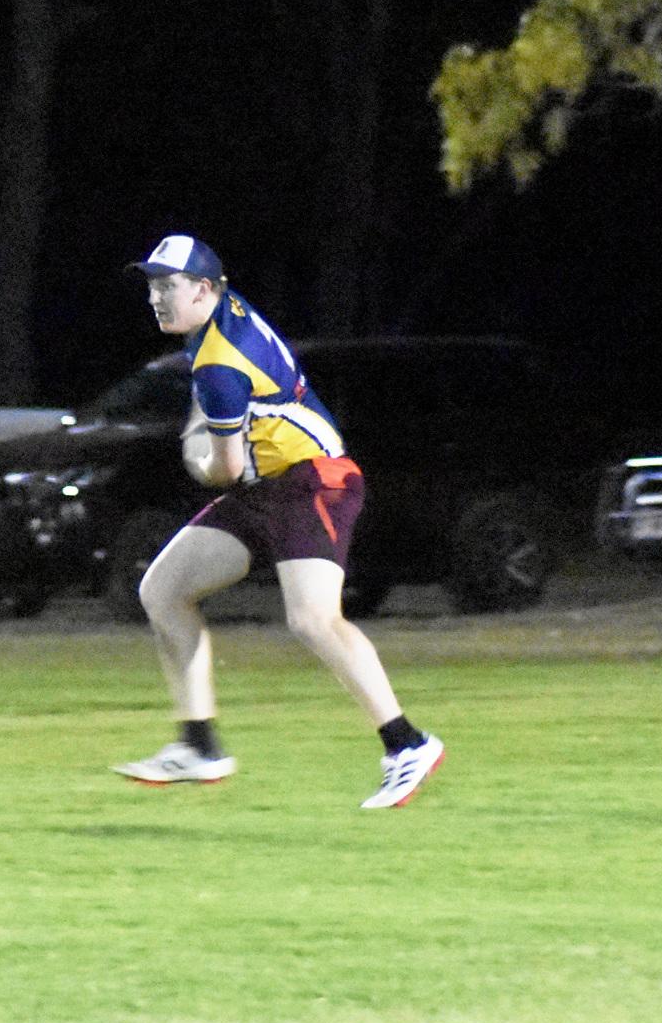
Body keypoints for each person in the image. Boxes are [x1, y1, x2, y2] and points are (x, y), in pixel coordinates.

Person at [112, 234, 446, 809]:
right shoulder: (220, 315)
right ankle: (199, 747)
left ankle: (406, 744)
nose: (156, 298)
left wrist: (194, 450)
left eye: (168, 286)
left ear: (204, 289)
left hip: (313, 479)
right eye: (151, 285)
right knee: (163, 590)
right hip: (269, 483)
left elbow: (224, 467)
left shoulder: (218, 359)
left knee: (314, 619)